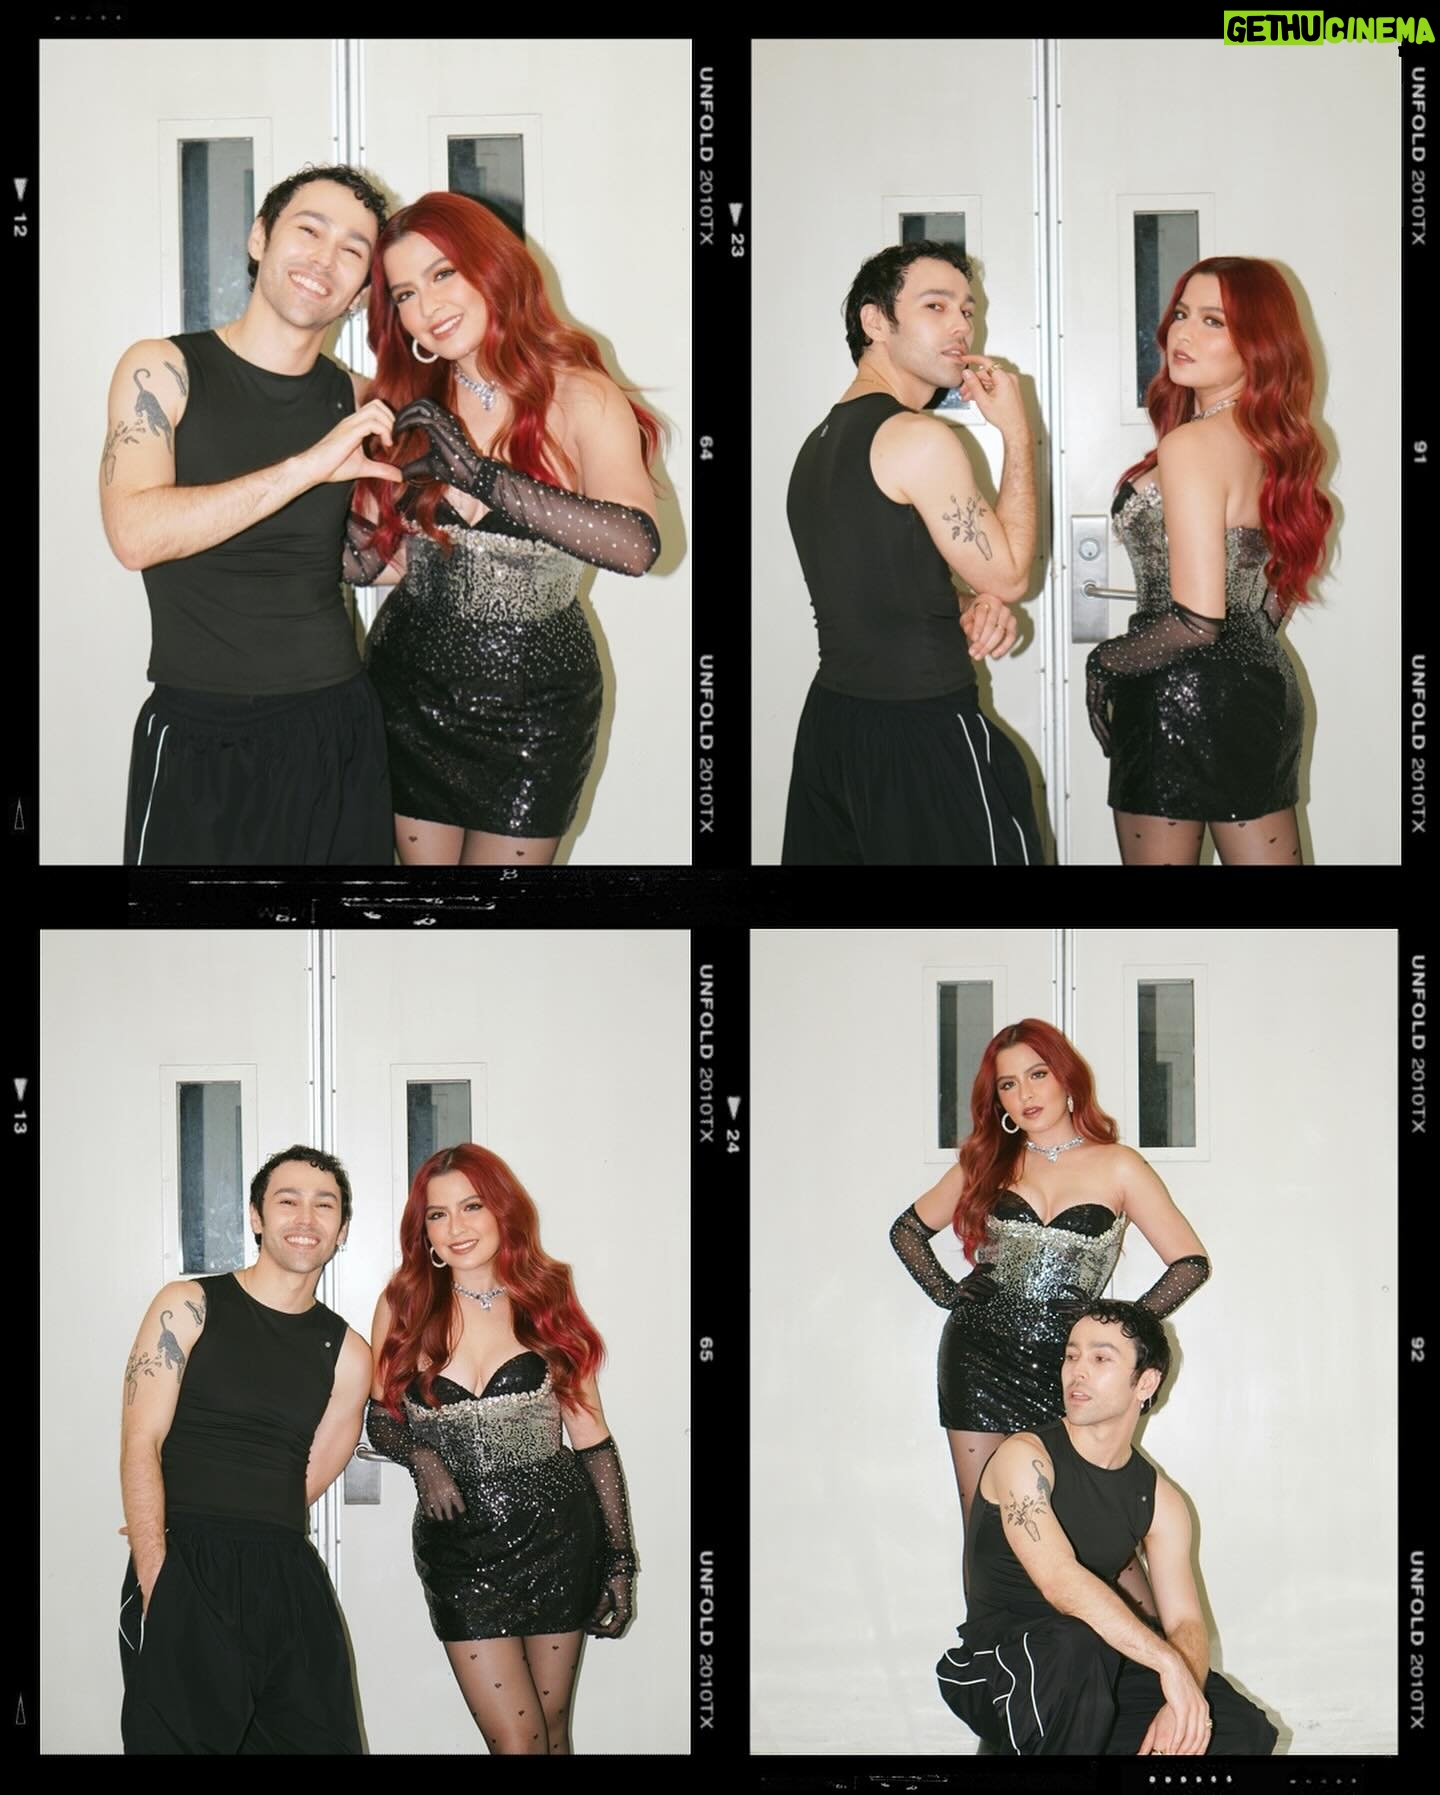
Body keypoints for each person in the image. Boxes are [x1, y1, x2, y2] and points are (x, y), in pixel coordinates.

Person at [343, 190, 663, 866]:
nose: (427, 306)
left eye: (442, 273)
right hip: (407, 691)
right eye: (404, 294)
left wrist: (480, 477)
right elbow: (367, 564)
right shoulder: (407, 402)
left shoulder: (579, 393)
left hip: (534, 710)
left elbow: (636, 546)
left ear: (492, 268)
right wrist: (330, 478)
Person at [100, 163, 405, 866]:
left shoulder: (363, 402)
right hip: (200, 733)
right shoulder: (163, 370)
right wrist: (307, 467)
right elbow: (134, 535)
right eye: (309, 230)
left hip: (337, 725)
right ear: (260, 237)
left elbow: (391, 558)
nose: (325, 260)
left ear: (363, 290)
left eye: (352, 250)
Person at [888, 1019, 1209, 1608]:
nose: (1025, 1094)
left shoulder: (1118, 1165)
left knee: (1094, 1530)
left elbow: (1189, 1262)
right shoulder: (987, 1162)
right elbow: (906, 1231)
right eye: (1008, 1085)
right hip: (977, 1359)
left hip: (1067, 1368)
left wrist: (1113, 1335)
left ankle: (1153, 1657)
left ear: (1067, 1080)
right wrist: (950, 1295)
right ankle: (997, 1661)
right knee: (987, 1530)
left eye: (1037, 1075)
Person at [365, 1143, 639, 1754]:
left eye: (472, 1206)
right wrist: (423, 1458)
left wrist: (620, 1560)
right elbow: (381, 1419)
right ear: (425, 1232)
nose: (456, 1227)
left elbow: (591, 1439)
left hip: (559, 1538)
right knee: (518, 1741)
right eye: (438, 1215)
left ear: (502, 1212)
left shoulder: (547, 1298)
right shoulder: (404, 1306)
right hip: (460, 1551)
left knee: (554, 1732)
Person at [781, 239, 1038, 865]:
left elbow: (880, 585)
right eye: (935, 306)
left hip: (833, 732)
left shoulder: (818, 443)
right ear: (875, 321)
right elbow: (1011, 574)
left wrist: (966, 604)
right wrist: (1017, 429)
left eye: (968, 310)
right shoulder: (918, 438)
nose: (961, 325)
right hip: (920, 735)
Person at [117, 1146, 373, 1753]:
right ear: (256, 1217)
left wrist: (246, 1524)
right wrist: (159, 1577)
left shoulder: (349, 1354)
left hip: (287, 1579)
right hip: (185, 1566)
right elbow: (140, 1442)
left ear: (342, 1230)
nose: (305, 1218)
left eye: (324, 1205)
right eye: (288, 1201)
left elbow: (303, 1481)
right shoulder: (187, 1305)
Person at [935, 1301, 1277, 1755]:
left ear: (1146, 1382)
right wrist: (1167, 1664)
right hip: (997, 1665)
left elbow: (1185, 1622)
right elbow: (1061, 1582)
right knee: (1078, 1644)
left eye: (1100, 1358)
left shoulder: (1161, 1502)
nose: (1077, 1371)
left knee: (1238, 1726)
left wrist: (1182, 1696)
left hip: (1093, 1669)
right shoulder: (1025, 1458)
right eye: (1071, 1355)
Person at [1085, 256, 1332, 866]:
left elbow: (1196, 623)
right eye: (1181, 314)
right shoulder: (1275, 443)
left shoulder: (1191, 445)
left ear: (1259, 344)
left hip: (1176, 693)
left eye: (1213, 321)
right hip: (1262, 690)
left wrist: (1105, 660)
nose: (1183, 333)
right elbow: (1268, 602)